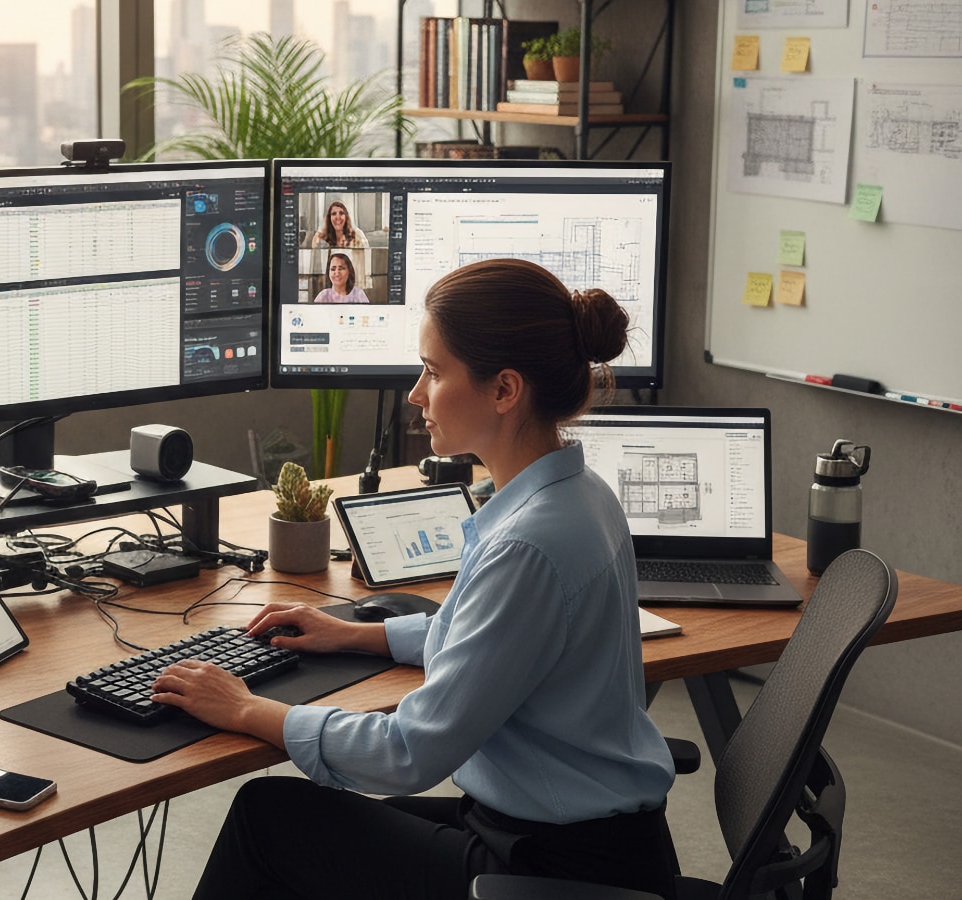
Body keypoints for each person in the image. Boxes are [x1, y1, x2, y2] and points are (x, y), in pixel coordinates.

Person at [152, 257, 679, 900]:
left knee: (267, 821)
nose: (415, 394)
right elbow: (490, 645)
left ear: (504, 390)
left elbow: (409, 752)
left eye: (433, 371)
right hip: (578, 834)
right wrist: (354, 635)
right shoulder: (577, 493)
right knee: (302, 825)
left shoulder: (528, 545)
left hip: (553, 867)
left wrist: (247, 708)